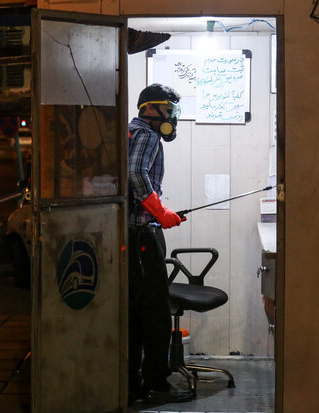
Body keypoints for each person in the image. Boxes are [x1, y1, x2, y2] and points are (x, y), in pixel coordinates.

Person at [127, 84, 194, 404]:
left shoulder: (129, 132)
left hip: (134, 236)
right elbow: (135, 175)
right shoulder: (147, 134)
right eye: (169, 110)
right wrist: (161, 212)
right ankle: (156, 382)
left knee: (136, 311)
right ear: (150, 109)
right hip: (141, 235)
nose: (172, 118)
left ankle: (134, 383)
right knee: (154, 312)